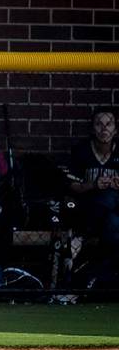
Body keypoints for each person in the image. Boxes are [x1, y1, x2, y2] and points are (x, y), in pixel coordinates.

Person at [68, 107, 119, 257]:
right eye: (99, 124)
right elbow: (72, 186)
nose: (104, 128)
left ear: (115, 130)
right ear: (92, 129)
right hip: (89, 208)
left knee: (111, 199)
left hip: (114, 209)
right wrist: (93, 185)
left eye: (109, 124)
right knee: (113, 220)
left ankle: (82, 235)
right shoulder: (81, 151)